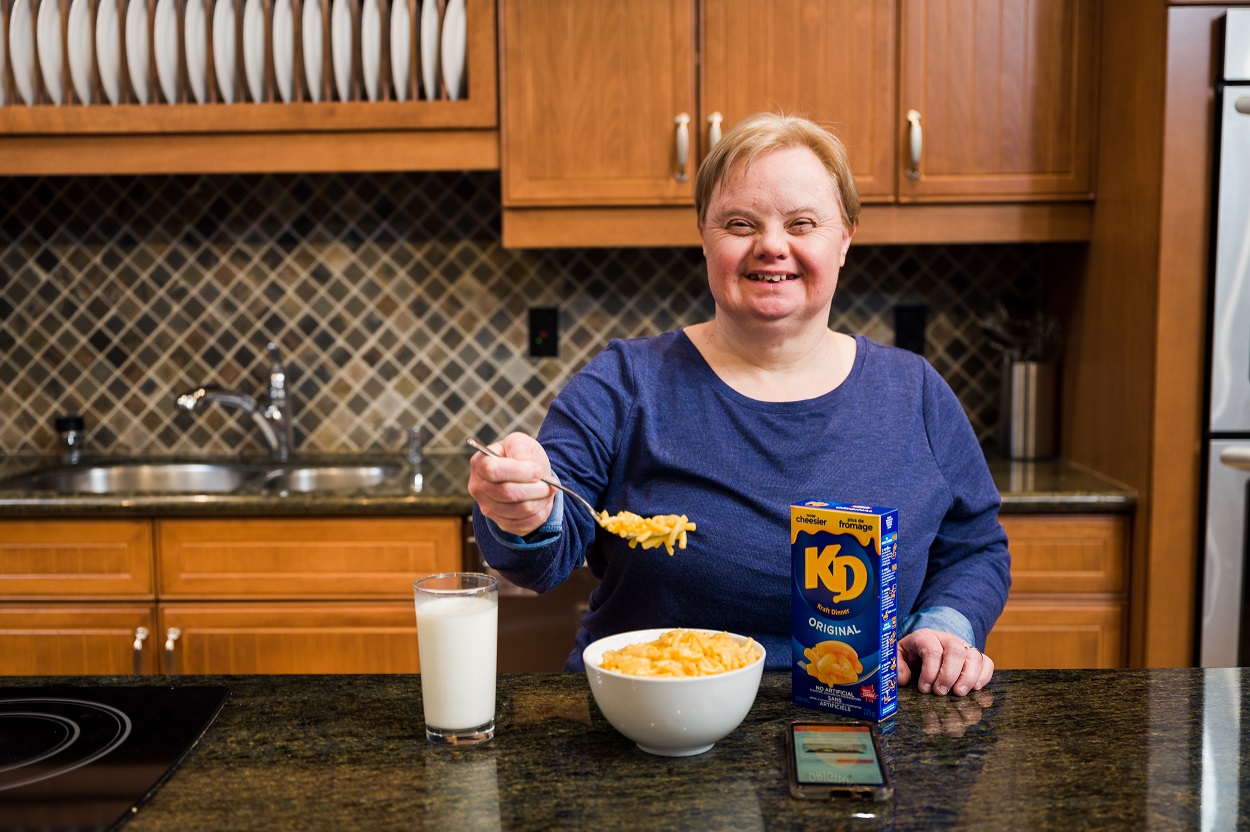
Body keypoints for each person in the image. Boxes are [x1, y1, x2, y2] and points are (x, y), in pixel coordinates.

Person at [469, 112, 1011, 698]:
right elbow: (544, 552)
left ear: (846, 238)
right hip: (652, 724)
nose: (772, 246)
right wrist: (522, 510)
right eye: (739, 222)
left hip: (861, 723)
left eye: (802, 222)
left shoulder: (917, 392)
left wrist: (944, 627)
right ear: (705, 236)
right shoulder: (626, 383)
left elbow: (975, 546)